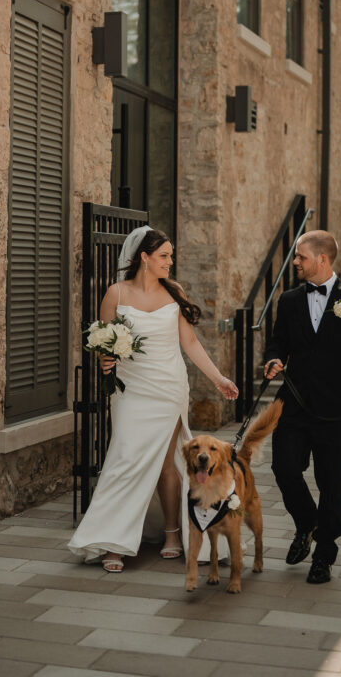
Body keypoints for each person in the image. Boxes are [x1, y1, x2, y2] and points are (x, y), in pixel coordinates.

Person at [68, 226, 238, 572]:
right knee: (125, 457)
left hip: (168, 387)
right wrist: (105, 359)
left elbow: (189, 344)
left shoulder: (173, 293)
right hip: (130, 389)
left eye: (170, 256)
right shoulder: (116, 293)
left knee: (166, 463)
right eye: (164, 256)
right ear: (144, 258)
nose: (169, 262)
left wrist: (219, 378)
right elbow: (103, 339)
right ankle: (112, 540)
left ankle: (173, 534)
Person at [263, 229, 341, 585]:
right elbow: (277, 342)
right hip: (293, 404)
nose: (295, 262)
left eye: (300, 256)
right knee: (283, 467)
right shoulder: (288, 300)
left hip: (337, 410)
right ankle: (307, 523)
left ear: (322, 259)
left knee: (332, 480)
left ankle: (325, 553)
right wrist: (273, 360)